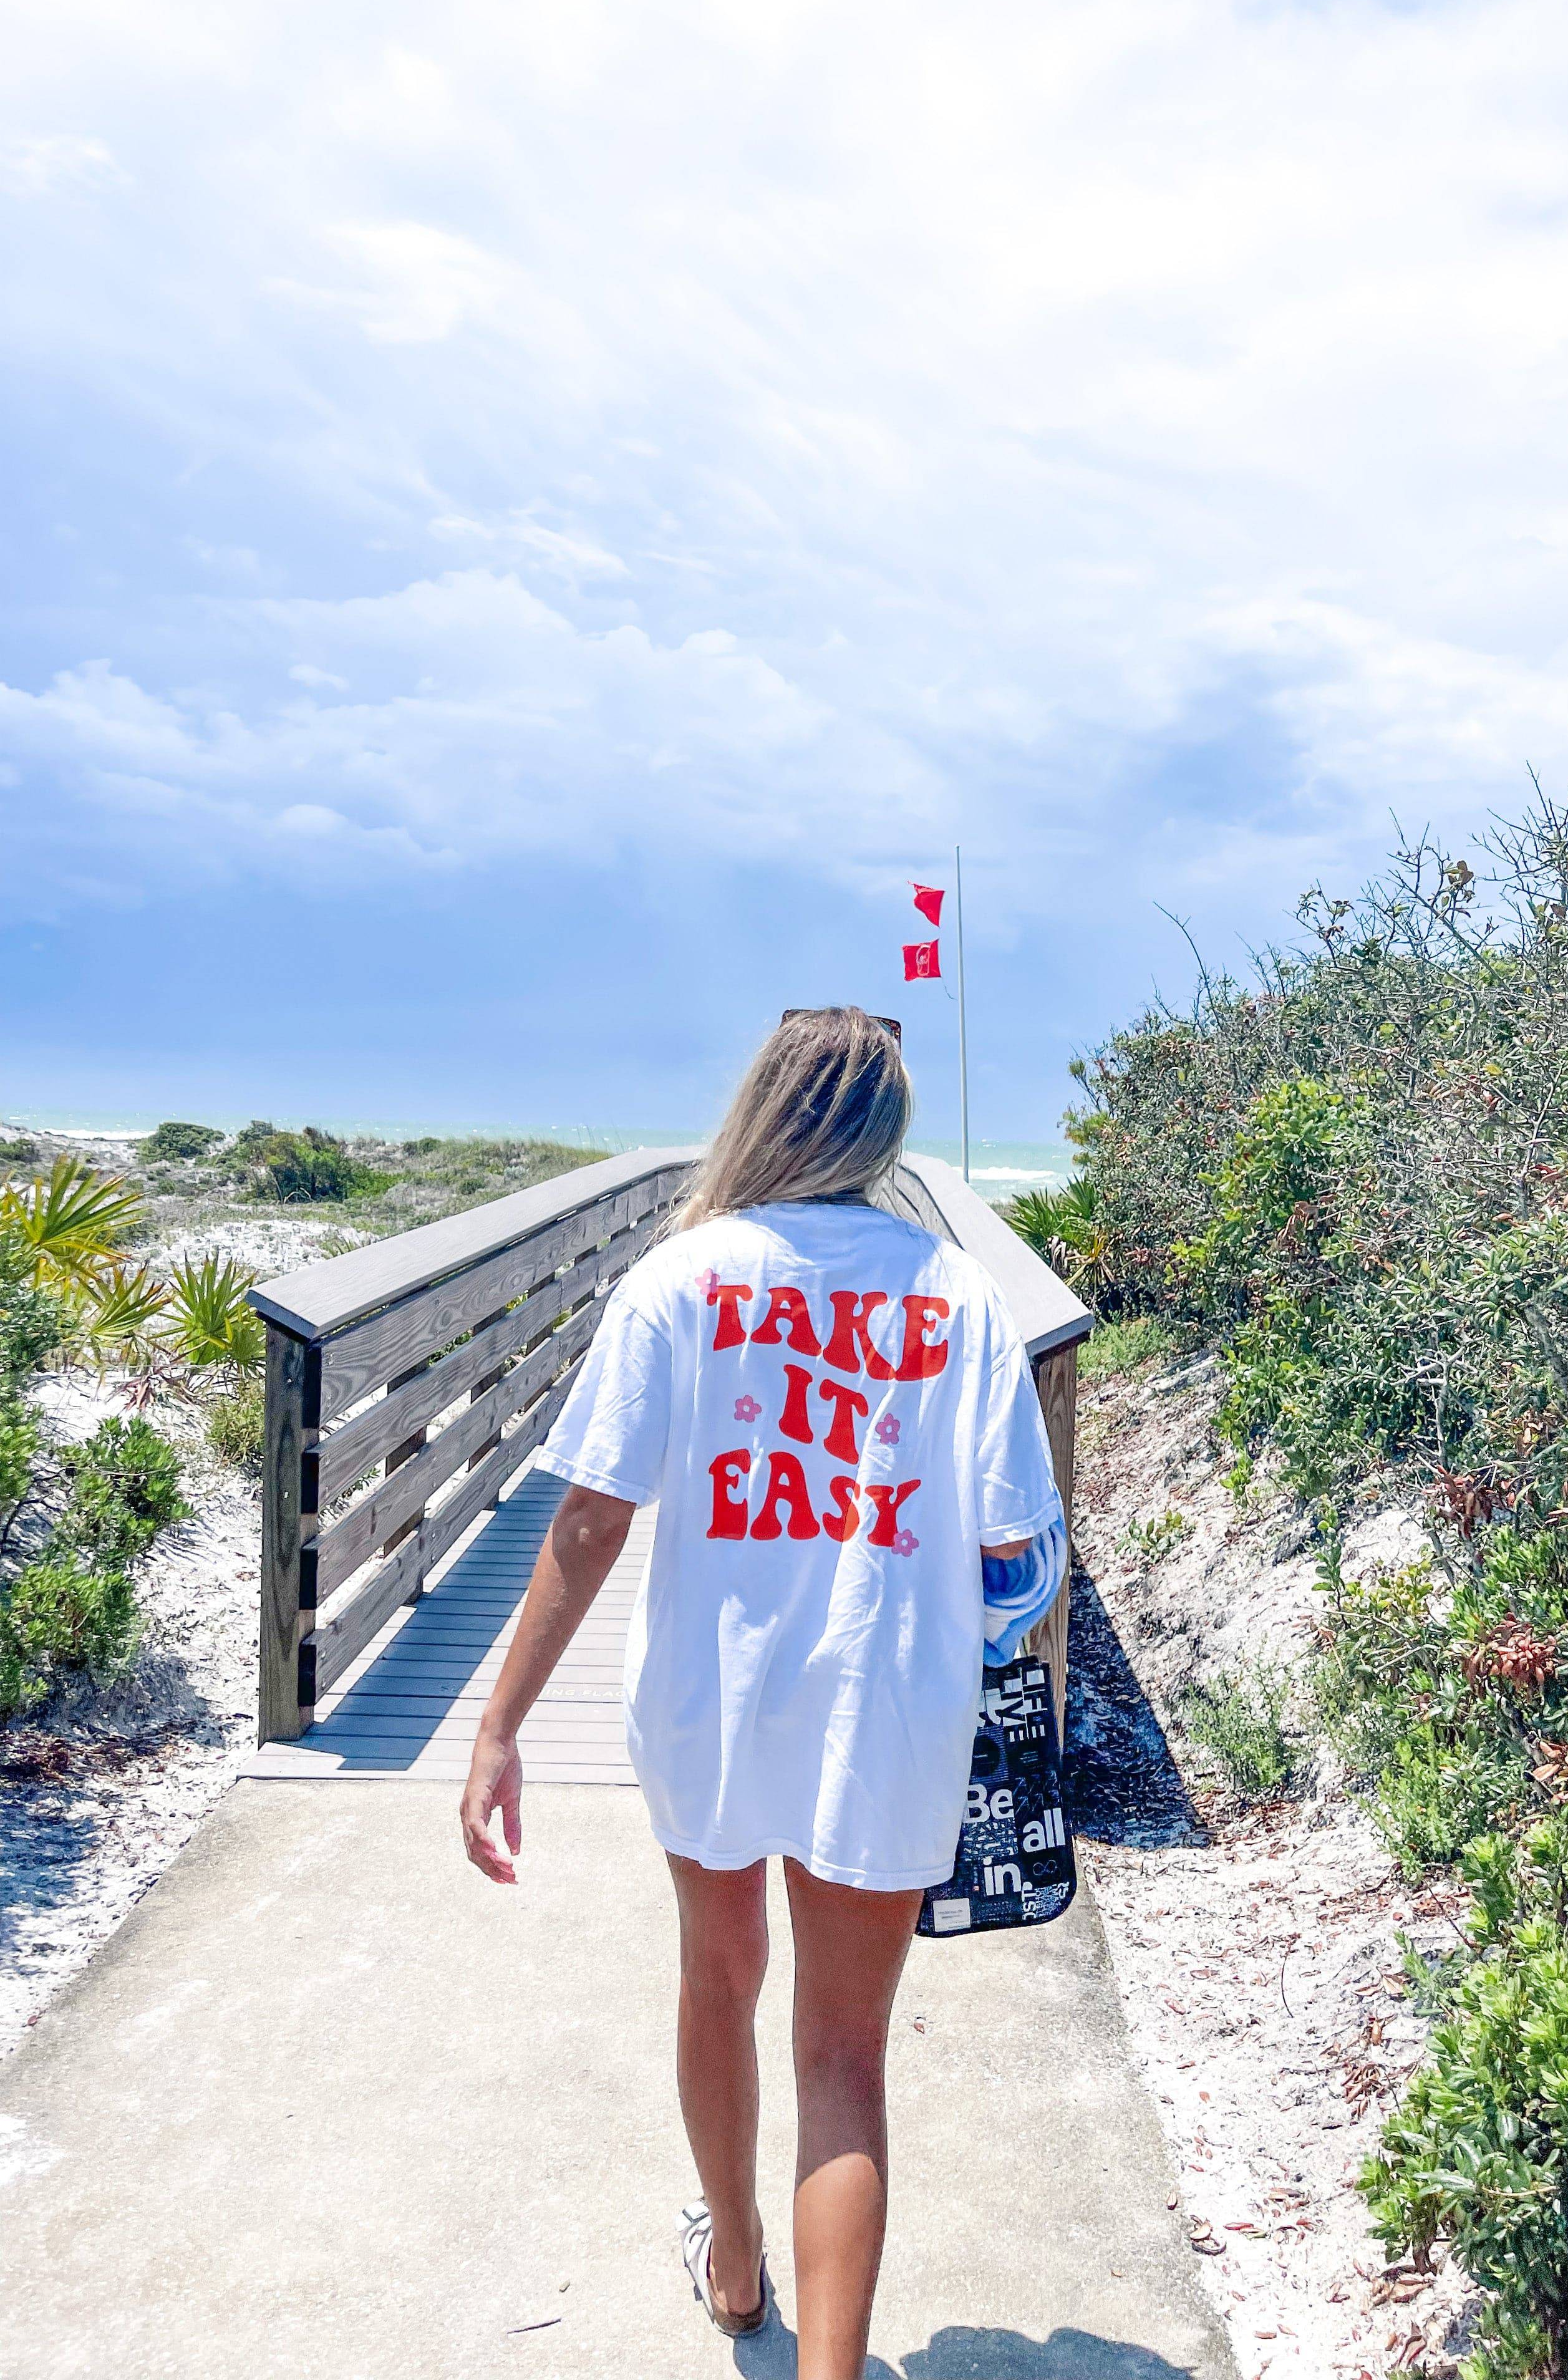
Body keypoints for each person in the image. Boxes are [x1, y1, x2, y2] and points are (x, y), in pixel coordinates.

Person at [458, 1007, 1062, 2376]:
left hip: (710, 1703)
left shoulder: (686, 1278)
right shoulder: (956, 1294)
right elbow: (1020, 1562)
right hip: (884, 1712)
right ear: (885, 1135)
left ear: (765, 1111)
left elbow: (594, 1520)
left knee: (716, 1979)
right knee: (844, 2060)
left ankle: (735, 2267)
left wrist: (499, 1730)